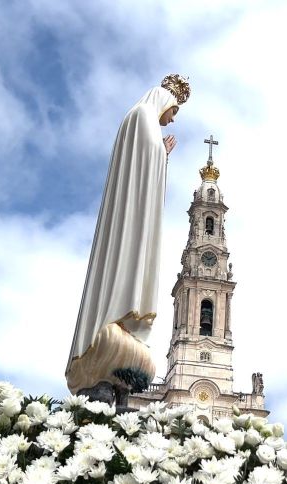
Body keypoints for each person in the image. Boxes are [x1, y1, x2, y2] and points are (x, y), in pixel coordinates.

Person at [66, 74, 190, 399]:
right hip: (129, 219)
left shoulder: (147, 124)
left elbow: (147, 167)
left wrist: (161, 157)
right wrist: (159, 155)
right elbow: (139, 167)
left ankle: (123, 353)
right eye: (174, 110)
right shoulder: (141, 118)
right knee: (126, 263)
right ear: (165, 100)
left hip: (142, 216)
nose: (173, 117)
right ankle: (114, 323)